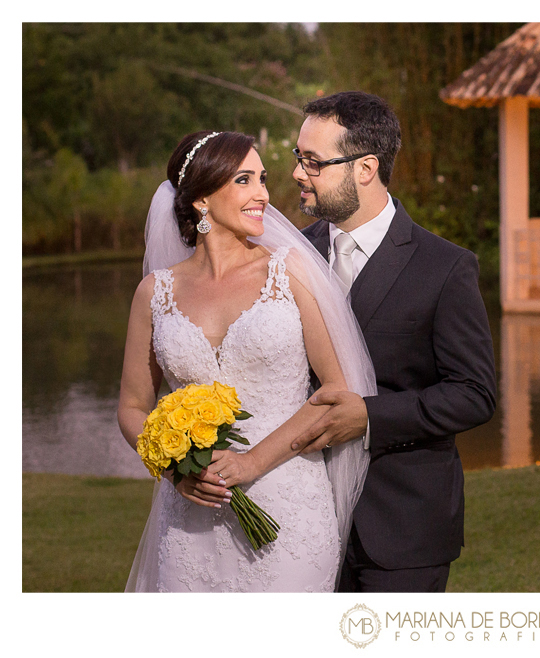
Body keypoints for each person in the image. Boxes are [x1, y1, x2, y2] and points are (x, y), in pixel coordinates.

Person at [118, 130, 376, 592]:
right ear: (200, 198)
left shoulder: (288, 270)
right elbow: (133, 407)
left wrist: (253, 461)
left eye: (262, 179)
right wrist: (180, 471)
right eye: (245, 180)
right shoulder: (154, 293)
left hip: (287, 504)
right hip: (191, 515)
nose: (263, 194)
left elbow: (336, 391)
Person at [289, 91, 497, 592]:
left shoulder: (445, 267)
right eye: (299, 158)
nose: (298, 173)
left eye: (314, 162)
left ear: (365, 168)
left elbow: (474, 394)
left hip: (404, 528)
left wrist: (369, 416)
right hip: (300, 522)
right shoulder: (290, 255)